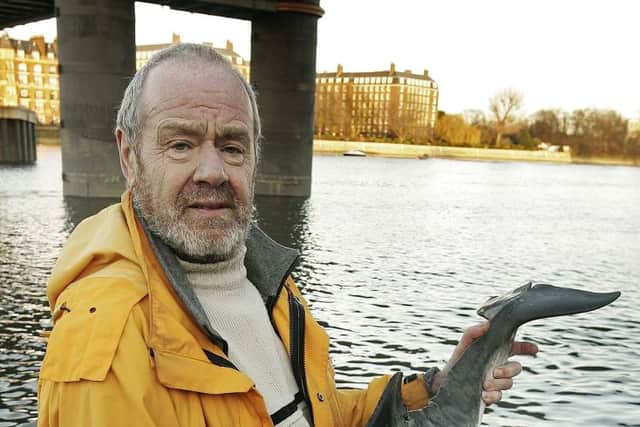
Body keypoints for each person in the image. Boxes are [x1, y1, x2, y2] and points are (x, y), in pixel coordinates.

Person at [37, 43, 537, 427]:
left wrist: (433, 388)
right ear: (129, 155)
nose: (212, 170)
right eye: (181, 143)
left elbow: (307, 411)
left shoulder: (262, 279)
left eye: (232, 147)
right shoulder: (107, 343)